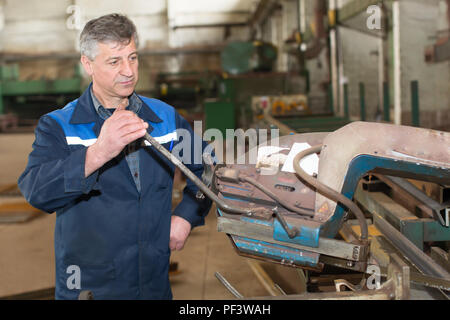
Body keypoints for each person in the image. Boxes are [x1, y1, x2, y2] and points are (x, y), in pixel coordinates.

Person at [18, 13, 212, 300]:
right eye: (114, 61)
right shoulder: (59, 125)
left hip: (153, 279)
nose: (128, 71)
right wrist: (98, 153)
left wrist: (185, 217)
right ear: (88, 64)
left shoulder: (164, 118)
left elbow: (207, 167)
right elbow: (37, 191)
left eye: (132, 58)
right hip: (89, 283)